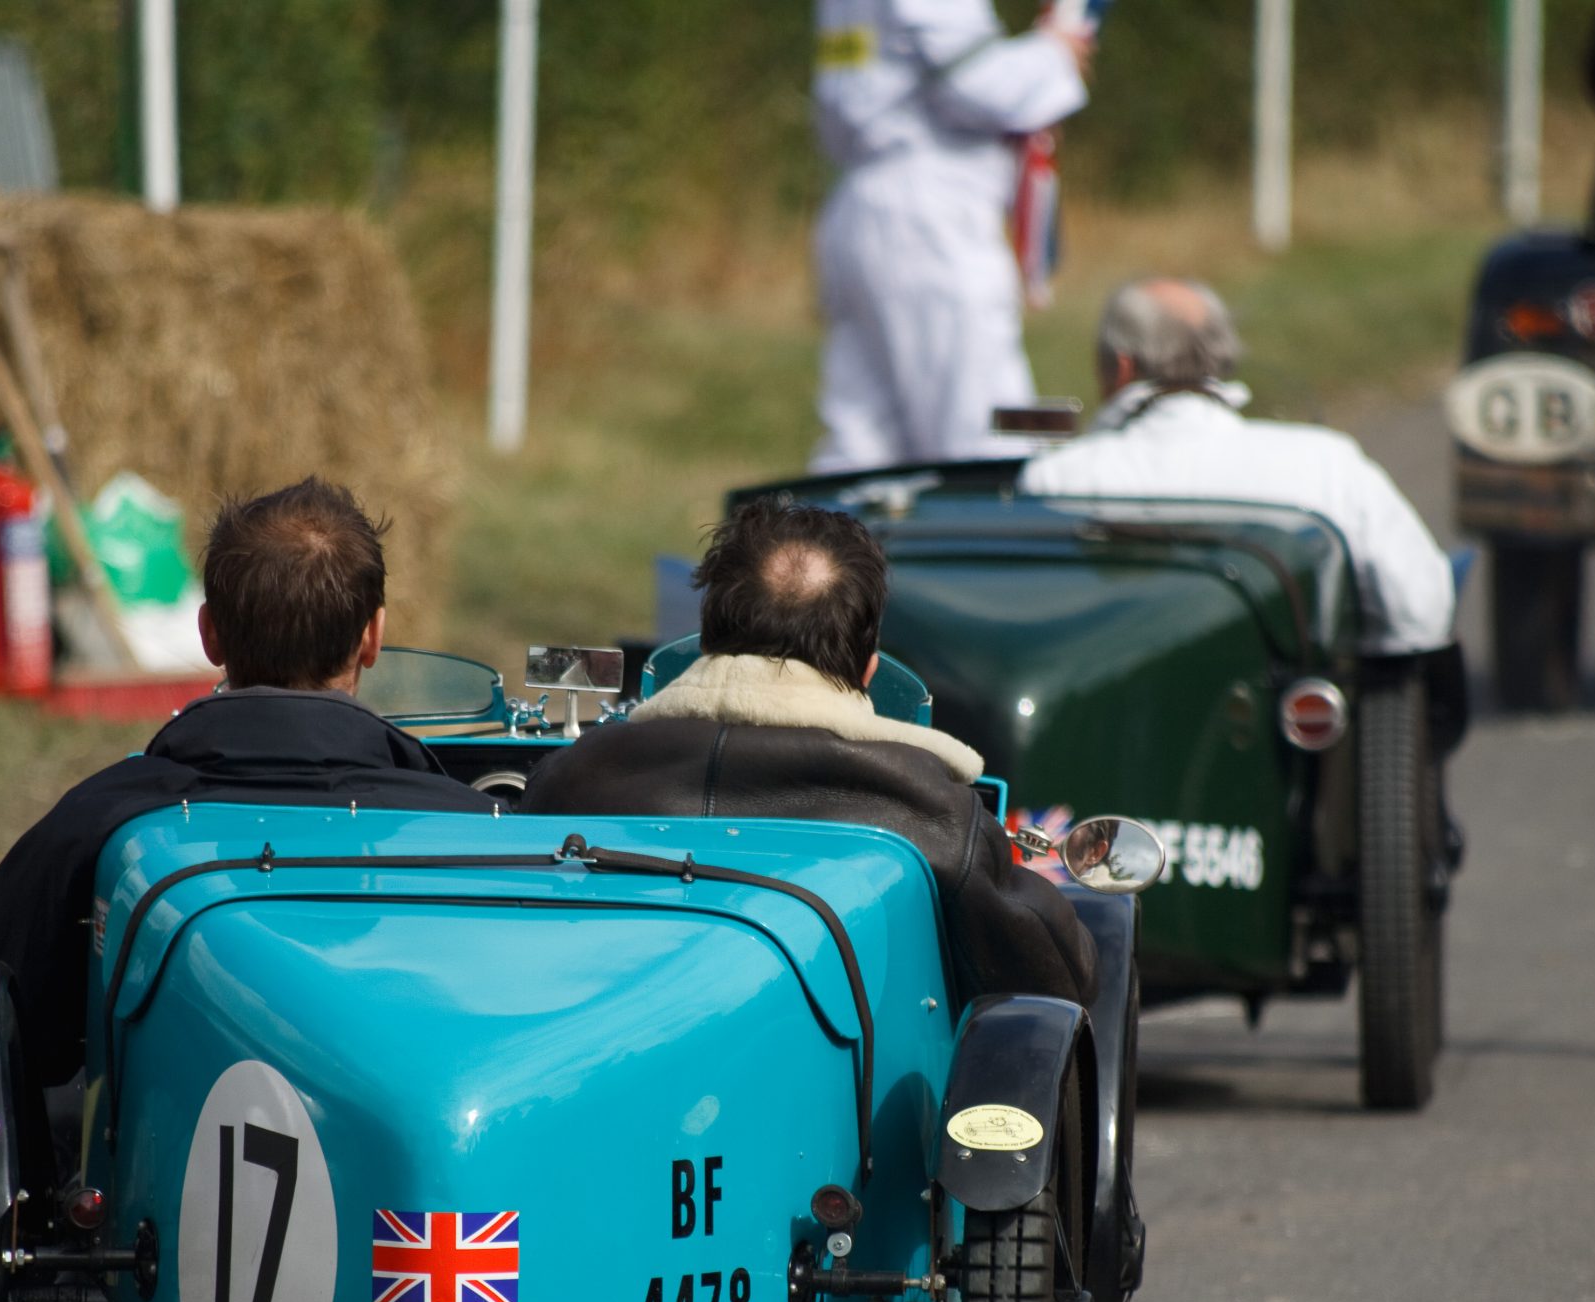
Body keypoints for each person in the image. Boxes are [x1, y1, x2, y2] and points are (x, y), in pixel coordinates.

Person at [0, 479, 490, 1096]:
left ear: (208, 634)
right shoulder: (472, 834)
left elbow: (4, 1027)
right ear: (373, 636)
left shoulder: (90, 824)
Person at [521, 495, 1097, 1005]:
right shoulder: (930, 806)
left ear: (704, 645)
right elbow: (1061, 975)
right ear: (869, 670)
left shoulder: (572, 778)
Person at [1017, 279, 1460, 659]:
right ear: (1220, 357)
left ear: (1121, 368)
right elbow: (1420, 610)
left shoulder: (1054, 479)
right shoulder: (1326, 464)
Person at [810, 0, 1092, 474]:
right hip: (931, 216)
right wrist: (1053, 54)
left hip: (865, 202)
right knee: (988, 439)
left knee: (863, 448)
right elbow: (977, 82)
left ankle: (839, 546)